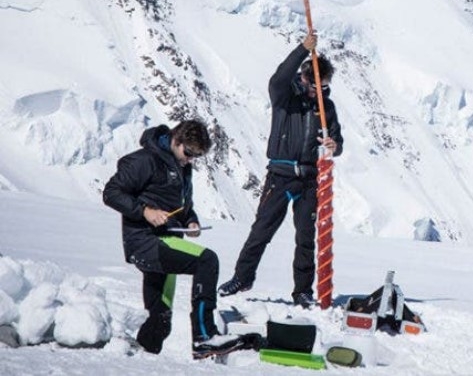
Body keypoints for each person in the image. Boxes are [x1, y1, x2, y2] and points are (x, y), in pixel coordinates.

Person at [218, 33, 343, 307]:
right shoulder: (284, 96)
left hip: (310, 180)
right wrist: (302, 49)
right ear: (304, 79)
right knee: (262, 229)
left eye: (323, 87)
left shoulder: (327, 108)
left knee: (306, 238)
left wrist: (333, 144)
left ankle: (302, 291)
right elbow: (278, 77)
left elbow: (338, 143)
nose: (318, 92)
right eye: (314, 86)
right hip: (280, 175)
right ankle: (242, 276)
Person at [103, 120, 231, 356]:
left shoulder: (181, 166)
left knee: (160, 316)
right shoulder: (145, 160)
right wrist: (145, 212)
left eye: (195, 156)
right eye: (189, 153)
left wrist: (191, 221)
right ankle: (204, 336)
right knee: (207, 260)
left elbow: (182, 207)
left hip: (168, 239)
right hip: (146, 241)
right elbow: (111, 192)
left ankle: (142, 355)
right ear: (176, 139)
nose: (189, 160)